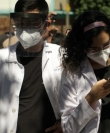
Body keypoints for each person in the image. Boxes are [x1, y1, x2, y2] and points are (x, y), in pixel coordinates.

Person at [0, 0, 63, 133]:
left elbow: (77, 96)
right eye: (21, 22)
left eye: (33, 23)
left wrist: (67, 122)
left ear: (46, 24)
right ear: (15, 22)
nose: (26, 27)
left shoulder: (61, 56)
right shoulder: (2, 58)